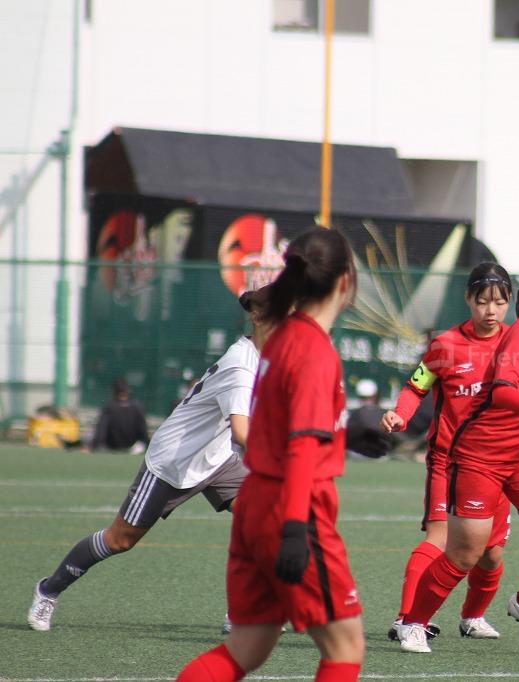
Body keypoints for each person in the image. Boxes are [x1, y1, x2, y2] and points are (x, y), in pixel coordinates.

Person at [175, 228, 364, 682]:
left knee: (248, 647)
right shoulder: (314, 349)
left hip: (257, 501)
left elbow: (289, 423)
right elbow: (300, 446)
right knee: (346, 646)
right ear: (344, 281)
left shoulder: (279, 337)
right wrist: (297, 528)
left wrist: (348, 432)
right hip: (292, 507)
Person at [28, 287, 274, 632]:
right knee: (120, 540)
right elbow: (243, 432)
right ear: (258, 317)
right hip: (173, 461)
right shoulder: (242, 365)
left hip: (217, 459)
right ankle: (48, 589)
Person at [394, 252, 519, 654]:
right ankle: (411, 621)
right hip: (471, 457)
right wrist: (400, 412)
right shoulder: (463, 343)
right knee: (460, 550)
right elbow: (434, 386)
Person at [381, 262, 515, 642]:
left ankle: (472, 617)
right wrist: (400, 415)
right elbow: (416, 386)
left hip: (499, 462)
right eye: (483, 301)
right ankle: (406, 618)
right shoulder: (445, 346)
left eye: (500, 302)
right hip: (450, 462)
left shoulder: (515, 344)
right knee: (439, 538)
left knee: (490, 554)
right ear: (468, 299)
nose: (491, 310)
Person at [87, 378, 149, 453]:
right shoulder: (137, 407)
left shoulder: (109, 407)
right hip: (133, 449)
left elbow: (101, 430)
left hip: (112, 448)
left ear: (114, 391)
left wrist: (95, 446)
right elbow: (143, 431)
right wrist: (147, 445)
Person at [345, 379, 395, 460]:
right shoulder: (355, 413)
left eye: (369, 397)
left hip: (362, 453)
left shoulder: (353, 413)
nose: (367, 401)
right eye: (364, 398)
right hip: (371, 453)